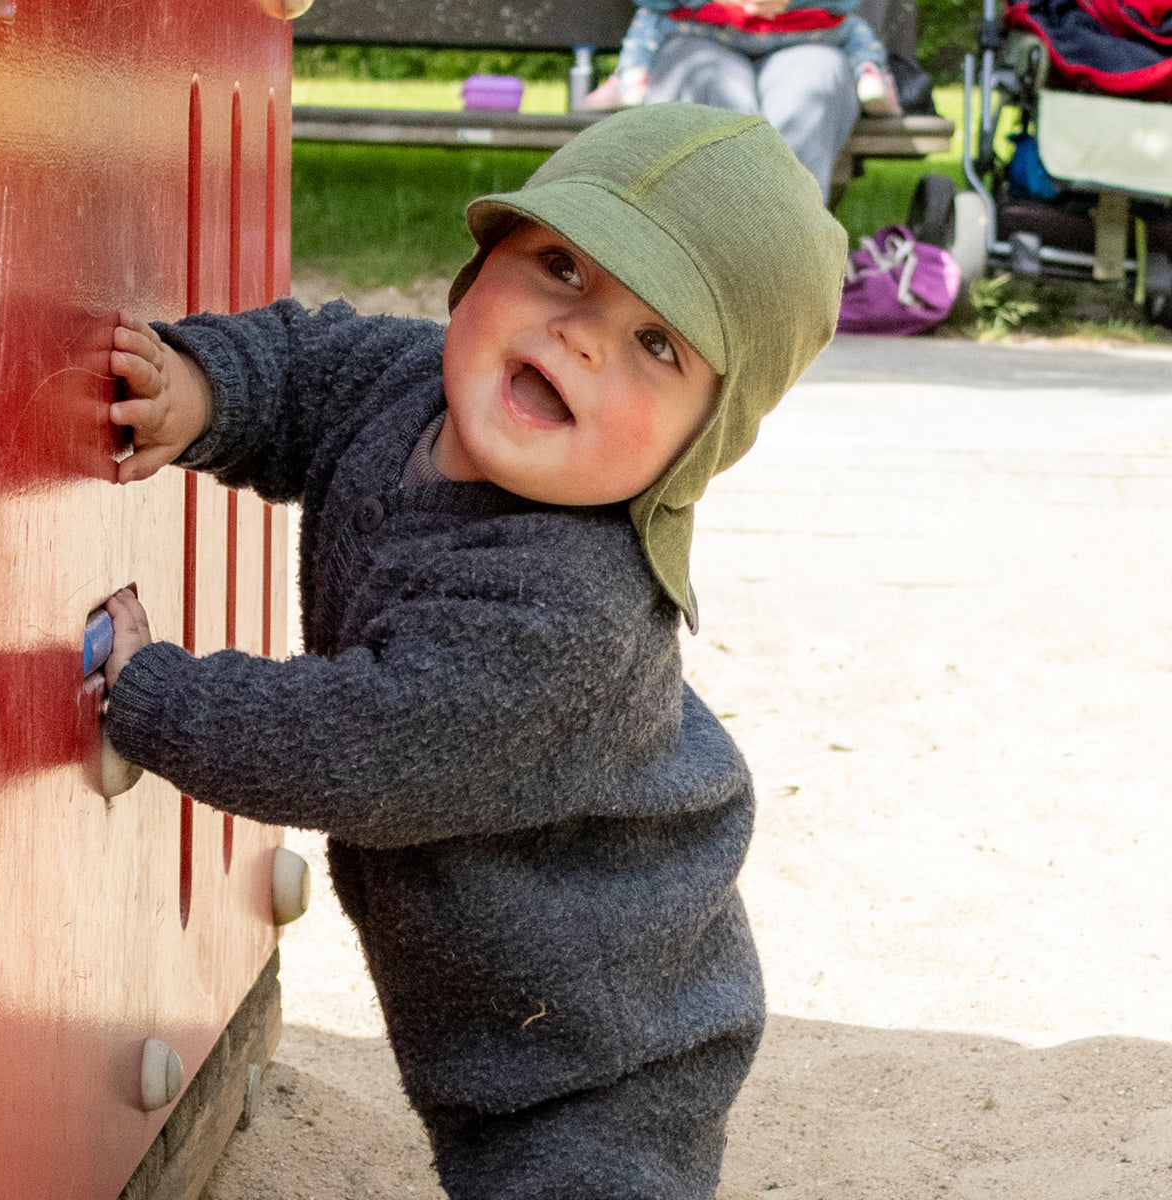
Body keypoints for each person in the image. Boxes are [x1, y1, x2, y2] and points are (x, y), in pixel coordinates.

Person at [102, 103, 847, 1200]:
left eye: (657, 344)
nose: (581, 334)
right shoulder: (413, 386)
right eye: (562, 266)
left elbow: (352, 745)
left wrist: (149, 694)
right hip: (492, 1016)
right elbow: (307, 369)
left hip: (605, 1056)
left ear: (699, 447)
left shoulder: (566, 614)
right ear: (485, 256)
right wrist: (206, 390)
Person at [582, 0, 901, 115]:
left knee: (651, 20)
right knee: (855, 32)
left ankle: (631, 77)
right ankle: (871, 74)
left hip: (708, 25)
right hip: (802, 27)